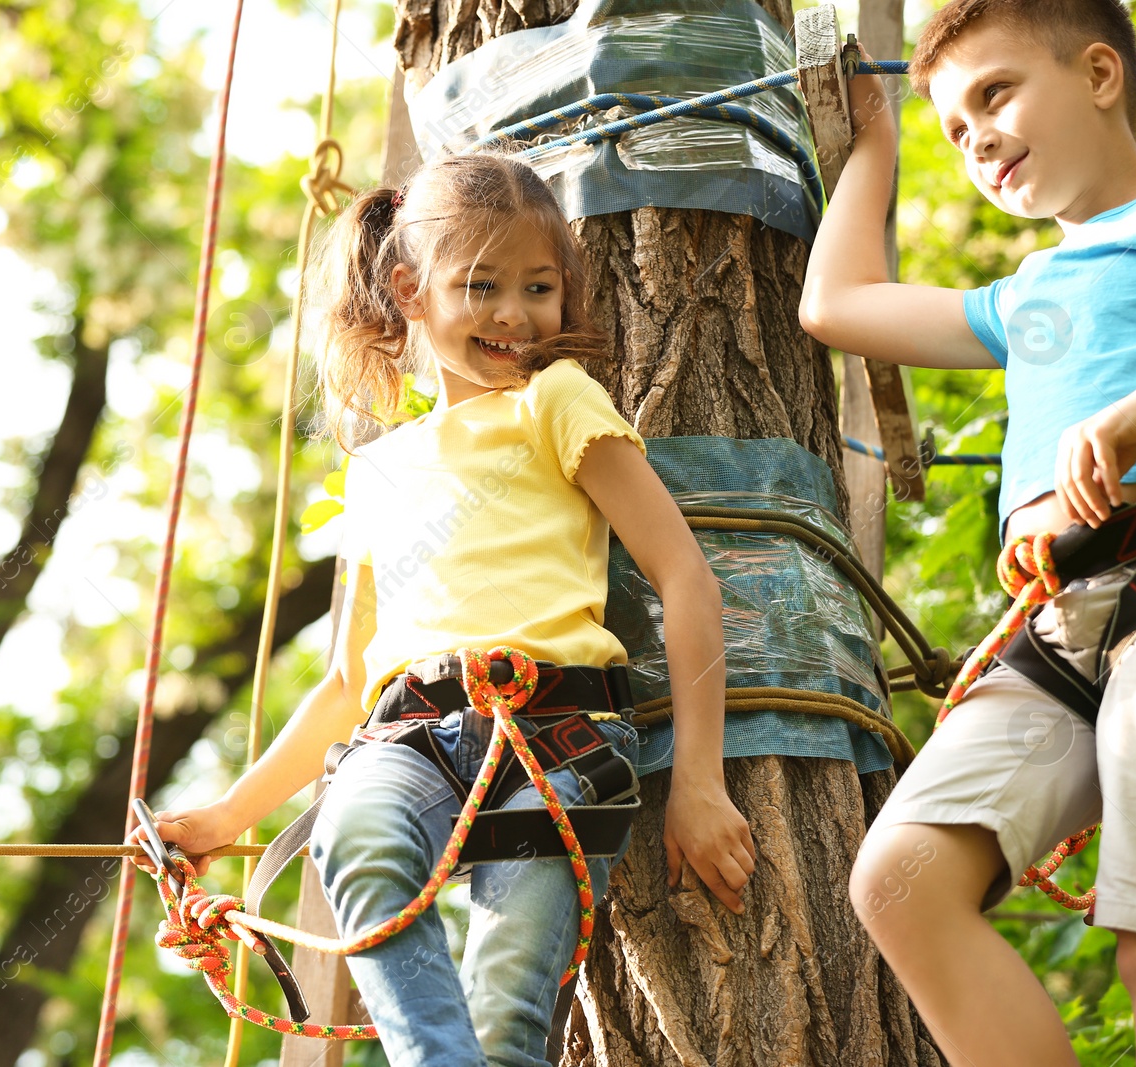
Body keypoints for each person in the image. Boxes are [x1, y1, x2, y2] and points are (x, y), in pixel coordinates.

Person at [131, 151, 756, 1067]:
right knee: (357, 837)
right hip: (410, 734)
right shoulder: (378, 469)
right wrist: (228, 815)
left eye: (538, 287)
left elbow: (684, 575)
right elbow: (349, 678)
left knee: (509, 1022)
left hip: (558, 731)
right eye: (481, 285)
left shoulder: (554, 400)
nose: (514, 313)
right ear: (409, 291)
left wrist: (699, 781)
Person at [799, 1, 1136, 1064]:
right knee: (899, 880)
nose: (977, 136)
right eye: (956, 127)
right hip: (1053, 629)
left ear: (1098, 74)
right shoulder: (1029, 299)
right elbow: (837, 302)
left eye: (995, 94)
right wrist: (876, 139)